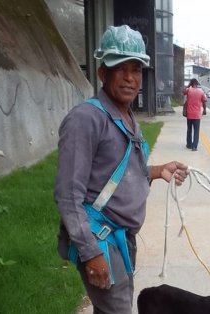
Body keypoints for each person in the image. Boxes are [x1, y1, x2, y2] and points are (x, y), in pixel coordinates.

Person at [54, 25, 188, 314]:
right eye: (120, 68)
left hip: (122, 238)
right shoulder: (86, 119)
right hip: (100, 240)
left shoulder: (125, 115)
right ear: (103, 73)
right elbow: (67, 195)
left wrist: (156, 171)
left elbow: (119, 171)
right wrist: (90, 254)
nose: (130, 77)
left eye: (136, 69)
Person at [183, 78, 207, 151]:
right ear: (197, 84)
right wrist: (204, 110)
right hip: (197, 115)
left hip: (189, 114)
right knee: (196, 131)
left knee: (189, 130)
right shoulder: (201, 92)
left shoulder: (188, 90)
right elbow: (204, 102)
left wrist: (188, 86)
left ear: (191, 83)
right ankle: (194, 147)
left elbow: (183, 91)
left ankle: (189, 144)